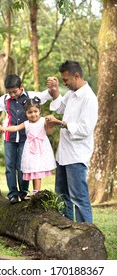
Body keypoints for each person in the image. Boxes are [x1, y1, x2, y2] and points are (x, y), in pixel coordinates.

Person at [0, 74, 52, 203]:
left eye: (14, 91)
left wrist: (52, 87)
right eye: (9, 92)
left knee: (23, 166)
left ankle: (23, 193)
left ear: (21, 87)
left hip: (26, 138)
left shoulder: (31, 96)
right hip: (9, 137)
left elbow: (46, 95)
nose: (12, 95)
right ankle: (12, 194)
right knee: (10, 166)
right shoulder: (5, 99)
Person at [46, 60, 98, 223]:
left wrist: (60, 123)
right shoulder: (71, 94)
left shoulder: (89, 98)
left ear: (76, 76)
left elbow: (85, 129)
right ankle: (67, 231)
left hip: (77, 155)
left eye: (66, 80)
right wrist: (54, 91)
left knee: (79, 198)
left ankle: (87, 234)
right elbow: (59, 107)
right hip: (63, 154)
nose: (64, 83)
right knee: (62, 196)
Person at [0, 97, 56, 196]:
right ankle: (35, 191)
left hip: (41, 148)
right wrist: (4, 128)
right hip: (30, 149)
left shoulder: (43, 121)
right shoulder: (26, 123)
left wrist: (50, 123)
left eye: (35, 111)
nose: (33, 114)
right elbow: (15, 127)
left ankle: (37, 191)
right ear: (25, 113)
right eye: (30, 112)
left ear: (40, 111)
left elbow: (49, 131)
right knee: (32, 169)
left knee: (38, 169)